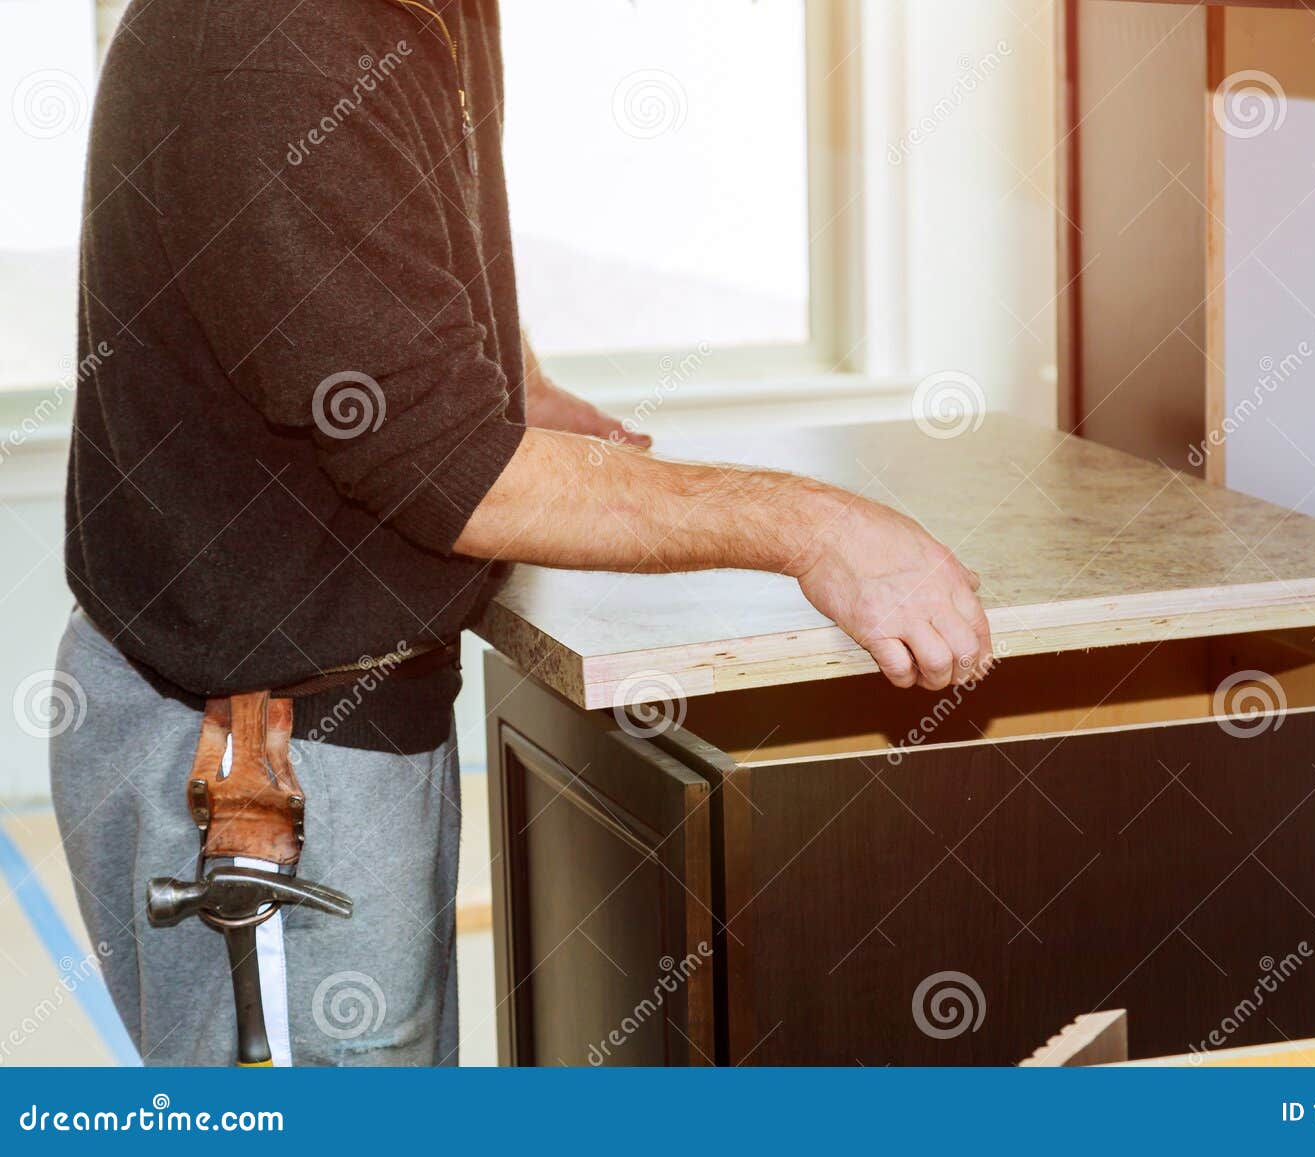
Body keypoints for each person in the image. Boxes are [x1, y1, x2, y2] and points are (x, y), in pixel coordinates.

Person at [52, 0, 990, 1065]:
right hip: (252, 757)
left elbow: (402, 222)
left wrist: (515, 378)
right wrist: (815, 525)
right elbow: (451, 471)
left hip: (342, 710)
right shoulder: (272, 43)